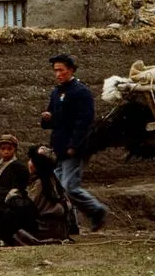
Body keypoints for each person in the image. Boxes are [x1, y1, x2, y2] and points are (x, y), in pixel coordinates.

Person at [40, 53, 108, 232]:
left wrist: (74, 145)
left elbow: (84, 122)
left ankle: (97, 210)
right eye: (55, 71)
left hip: (73, 149)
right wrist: (47, 118)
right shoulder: (57, 92)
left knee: (69, 187)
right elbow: (53, 119)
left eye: (61, 70)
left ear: (71, 70)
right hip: (59, 147)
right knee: (60, 190)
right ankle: (70, 225)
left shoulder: (81, 92)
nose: (57, 74)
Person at [0, 133, 30, 247]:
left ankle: (8, 238)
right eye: (3, 149)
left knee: (8, 218)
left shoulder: (18, 166)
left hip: (9, 197)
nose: (6, 152)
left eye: (9, 149)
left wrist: (14, 193)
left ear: (15, 150)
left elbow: (21, 183)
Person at [25, 144, 72, 242]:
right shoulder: (51, 179)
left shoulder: (40, 183)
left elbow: (29, 206)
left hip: (46, 227)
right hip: (59, 228)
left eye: (32, 160)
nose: (29, 163)